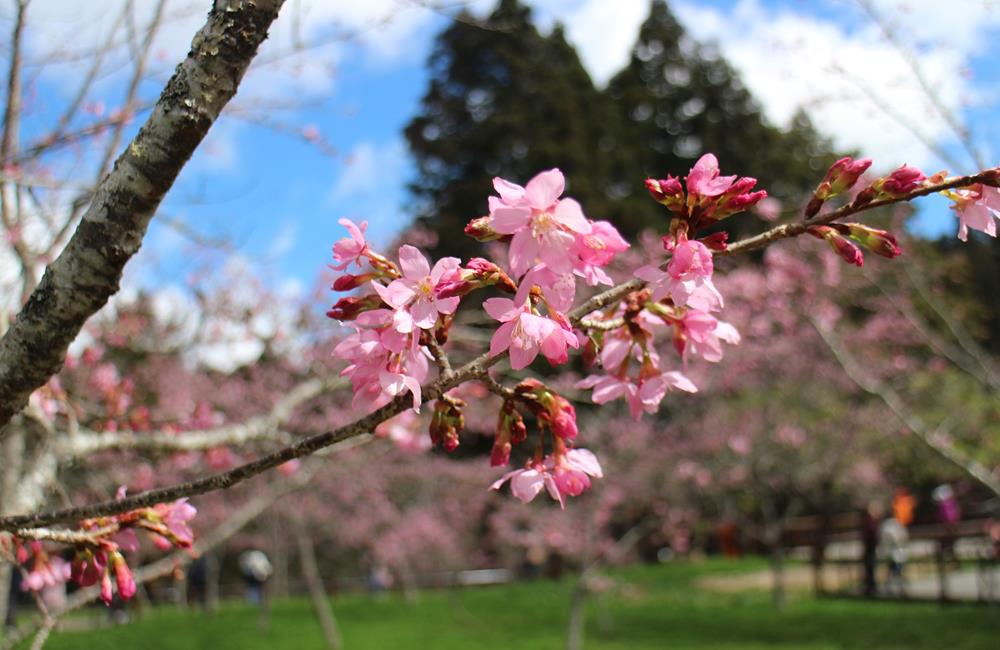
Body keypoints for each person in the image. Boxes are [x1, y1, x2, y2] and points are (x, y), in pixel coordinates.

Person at [878, 515, 909, 597]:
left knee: (895, 572)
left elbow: (902, 536)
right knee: (894, 572)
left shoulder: (889, 525)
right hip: (894, 553)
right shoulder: (890, 525)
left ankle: (896, 588)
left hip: (896, 553)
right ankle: (895, 589)